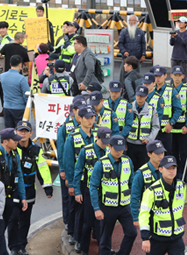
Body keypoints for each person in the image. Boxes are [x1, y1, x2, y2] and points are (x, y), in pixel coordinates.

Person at [89, 135, 137, 255]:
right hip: (107, 207)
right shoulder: (101, 164)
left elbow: (132, 183)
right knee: (105, 239)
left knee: (132, 232)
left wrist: (134, 204)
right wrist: (96, 209)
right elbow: (93, 186)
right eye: (116, 149)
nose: (119, 152)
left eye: (121, 149)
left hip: (125, 206)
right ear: (109, 147)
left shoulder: (127, 161)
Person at [15, 120, 53, 255]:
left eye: (26, 131)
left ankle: (21, 246)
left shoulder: (37, 150)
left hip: (29, 189)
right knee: (14, 220)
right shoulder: (12, 148)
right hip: (13, 192)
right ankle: (14, 247)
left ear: (31, 133)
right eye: (21, 131)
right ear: (16, 132)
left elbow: (43, 170)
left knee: (25, 221)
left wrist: (47, 187)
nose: (23, 133)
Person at [73, 127, 112, 255]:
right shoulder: (86, 151)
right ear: (97, 138)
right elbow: (78, 171)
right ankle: (84, 249)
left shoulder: (110, 151)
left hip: (106, 191)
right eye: (103, 140)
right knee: (88, 222)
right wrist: (77, 191)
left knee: (104, 223)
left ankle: (104, 249)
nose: (106, 143)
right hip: (90, 191)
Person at [63, 105, 98, 249]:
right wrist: (72, 184)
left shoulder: (98, 134)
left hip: (96, 181)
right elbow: (69, 162)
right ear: (79, 119)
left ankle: (96, 236)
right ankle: (77, 239)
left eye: (92, 117)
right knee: (80, 212)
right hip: (81, 182)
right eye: (87, 118)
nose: (90, 121)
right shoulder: (72, 137)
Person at [139, 156, 186, 255]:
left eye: (173, 168)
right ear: (160, 169)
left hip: (176, 238)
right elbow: (144, 215)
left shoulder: (182, 187)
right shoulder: (151, 191)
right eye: (168, 168)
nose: (171, 171)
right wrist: (145, 238)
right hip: (157, 240)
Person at [0, 128, 28, 255]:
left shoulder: (14, 155)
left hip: (11, 197)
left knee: (11, 222)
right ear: (5, 142)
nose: (17, 142)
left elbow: (19, 176)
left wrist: (23, 197)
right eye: (15, 140)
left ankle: (10, 248)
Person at [56, 96, 86, 234]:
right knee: (68, 198)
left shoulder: (87, 127)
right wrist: (62, 170)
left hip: (83, 172)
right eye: (80, 110)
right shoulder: (65, 128)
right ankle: (68, 222)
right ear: (74, 111)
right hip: (69, 169)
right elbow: (61, 151)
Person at [130, 140, 164, 227]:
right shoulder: (140, 173)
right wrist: (135, 217)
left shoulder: (167, 169)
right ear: (149, 154)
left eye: (162, 153)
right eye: (157, 154)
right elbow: (134, 196)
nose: (160, 156)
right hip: (149, 214)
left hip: (165, 213)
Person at [126, 85, 161, 170]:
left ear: (146, 96)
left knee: (143, 169)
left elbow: (156, 127)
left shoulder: (151, 109)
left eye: (142, 96)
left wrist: (149, 139)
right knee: (129, 168)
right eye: (138, 95)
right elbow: (124, 125)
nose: (139, 98)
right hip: (130, 144)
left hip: (144, 145)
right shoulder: (128, 108)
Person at [170, 66, 187, 179]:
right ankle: (174, 173)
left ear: (183, 76)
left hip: (183, 125)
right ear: (171, 76)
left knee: (183, 152)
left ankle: (184, 174)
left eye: (179, 75)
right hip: (172, 125)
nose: (177, 78)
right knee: (173, 151)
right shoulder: (168, 90)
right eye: (175, 75)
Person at [153, 65, 182, 153]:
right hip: (152, 129)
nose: (157, 78)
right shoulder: (150, 90)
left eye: (160, 76)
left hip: (166, 129)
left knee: (166, 153)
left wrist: (171, 123)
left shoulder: (172, 91)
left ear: (165, 76)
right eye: (156, 76)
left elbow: (178, 109)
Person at [0, 55, 30, 128]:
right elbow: (27, 95)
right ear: (20, 65)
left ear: (10, 64)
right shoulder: (21, 79)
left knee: (9, 131)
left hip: (7, 107)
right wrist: (28, 109)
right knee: (20, 131)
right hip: (19, 108)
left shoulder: (2, 76)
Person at [118, 15, 146, 83]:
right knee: (123, 76)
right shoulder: (124, 32)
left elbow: (143, 44)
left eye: (133, 20)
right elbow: (120, 43)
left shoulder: (141, 32)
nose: (131, 22)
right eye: (130, 20)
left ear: (136, 22)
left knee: (137, 76)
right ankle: (122, 89)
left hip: (137, 59)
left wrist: (143, 55)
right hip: (126, 59)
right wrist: (124, 51)